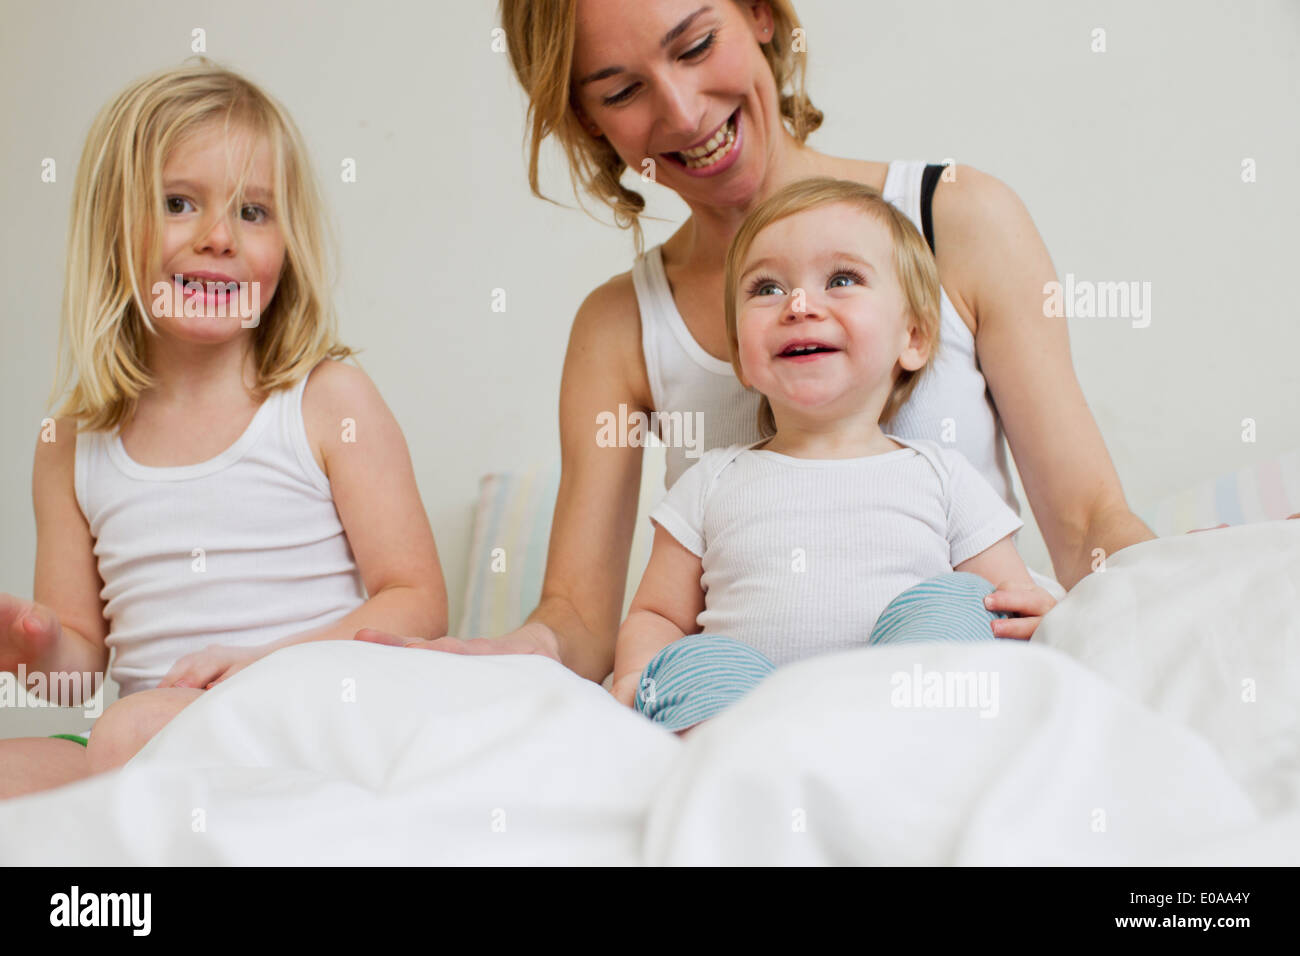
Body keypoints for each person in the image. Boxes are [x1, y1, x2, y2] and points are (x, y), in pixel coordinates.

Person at [359, 0, 1153, 686]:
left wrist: (1203, 577)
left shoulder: (959, 217)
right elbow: (582, 619)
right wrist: (521, 648)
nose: (681, 111)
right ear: (590, 123)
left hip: (943, 703)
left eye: (697, 45)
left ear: (760, 14)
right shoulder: (617, 327)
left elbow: (1088, 525)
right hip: (754, 720)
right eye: (623, 90)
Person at [0, 61, 447, 798]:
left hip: (306, 714)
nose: (219, 237)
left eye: (253, 212)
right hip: (141, 738)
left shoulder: (326, 399)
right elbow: (80, 669)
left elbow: (419, 604)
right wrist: (37, 647)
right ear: (112, 231)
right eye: (179, 202)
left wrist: (265, 664)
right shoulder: (71, 442)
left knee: (126, 736)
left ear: (287, 244)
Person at [610, 177, 1054, 732]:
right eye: (766, 288)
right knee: (692, 663)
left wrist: (1043, 619)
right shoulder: (711, 481)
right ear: (743, 359)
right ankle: (761, 781)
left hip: (905, 715)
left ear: (913, 337)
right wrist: (636, 674)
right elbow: (657, 614)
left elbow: (1006, 599)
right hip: (752, 726)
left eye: (842, 279)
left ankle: (900, 761)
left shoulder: (941, 476)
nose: (798, 305)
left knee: (963, 603)